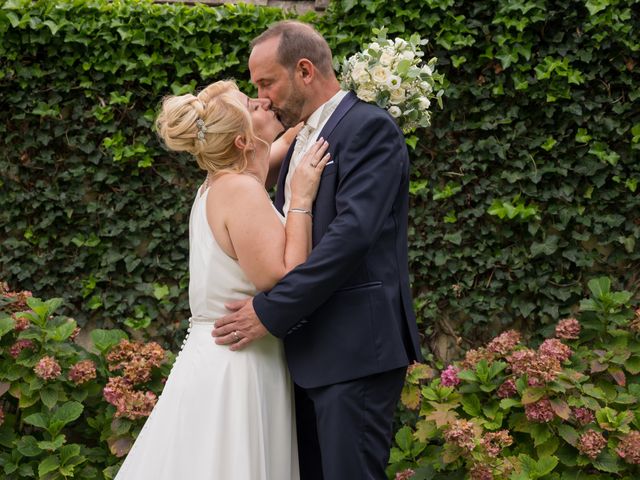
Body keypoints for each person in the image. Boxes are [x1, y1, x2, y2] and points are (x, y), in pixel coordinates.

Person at [211, 21, 423, 480]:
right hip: (305, 356)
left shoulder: (369, 128)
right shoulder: (298, 139)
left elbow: (350, 239)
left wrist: (270, 310)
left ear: (304, 70)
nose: (262, 98)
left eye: (267, 82)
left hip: (354, 351)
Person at [114, 79, 330, 480]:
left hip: (222, 356)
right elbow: (283, 279)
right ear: (243, 142)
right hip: (237, 367)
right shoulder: (240, 191)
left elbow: (272, 153)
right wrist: (300, 200)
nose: (265, 102)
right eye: (253, 105)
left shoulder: (223, 183)